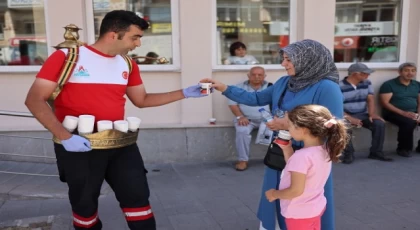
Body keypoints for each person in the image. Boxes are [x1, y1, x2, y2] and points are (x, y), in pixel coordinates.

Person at [24, 10, 208, 230]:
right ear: (113, 34)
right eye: (135, 37)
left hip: (120, 144)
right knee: (85, 207)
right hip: (78, 146)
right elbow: (35, 100)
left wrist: (185, 93)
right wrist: (65, 137)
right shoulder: (67, 57)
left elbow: (142, 99)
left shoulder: (128, 64)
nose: (138, 44)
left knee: (138, 199)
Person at [203, 39, 343, 230]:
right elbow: (256, 98)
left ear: (307, 60)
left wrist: (287, 123)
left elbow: (334, 124)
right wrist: (223, 88)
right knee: (276, 194)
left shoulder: (327, 87)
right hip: (280, 150)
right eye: (283, 59)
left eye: (288, 59)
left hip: (308, 157)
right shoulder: (285, 82)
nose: (283, 64)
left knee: (303, 201)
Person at [265, 104, 348, 230]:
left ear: (303, 129)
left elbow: (295, 191)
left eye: (290, 125)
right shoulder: (324, 150)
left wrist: (274, 194)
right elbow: (300, 168)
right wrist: (287, 150)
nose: (289, 129)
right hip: (314, 208)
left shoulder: (302, 156)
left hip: (299, 214)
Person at [339, 62, 392, 163]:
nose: (368, 75)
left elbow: (370, 99)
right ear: (354, 74)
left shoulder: (367, 83)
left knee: (379, 124)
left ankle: (376, 152)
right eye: (365, 73)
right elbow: (336, 106)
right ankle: (349, 154)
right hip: (345, 115)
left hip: (363, 114)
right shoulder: (339, 86)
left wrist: (372, 114)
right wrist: (350, 118)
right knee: (344, 126)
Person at [228, 66, 271, 171]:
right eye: (253, 74)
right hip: (246, 119)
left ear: (264, 76)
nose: (256, 77)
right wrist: (240, 116)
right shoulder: (239, 87)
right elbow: (232, 104)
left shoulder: (271, 87)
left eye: (260, 75)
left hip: (267, 119)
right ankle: (243, 160)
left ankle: (278, 159)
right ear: (248, 76)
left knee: (282, 131)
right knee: (242, 131)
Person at [379, 62, 419, 157]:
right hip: (392, 112)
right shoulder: (389, 85)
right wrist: (404, 113)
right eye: (407, 70)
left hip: (413, 112)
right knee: (409, 122)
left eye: (413, 71)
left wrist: (419, 114)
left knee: (412, 119)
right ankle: (403, 148)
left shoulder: (417, 85)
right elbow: (385, 103)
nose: (410, 73)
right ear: (400, 72)